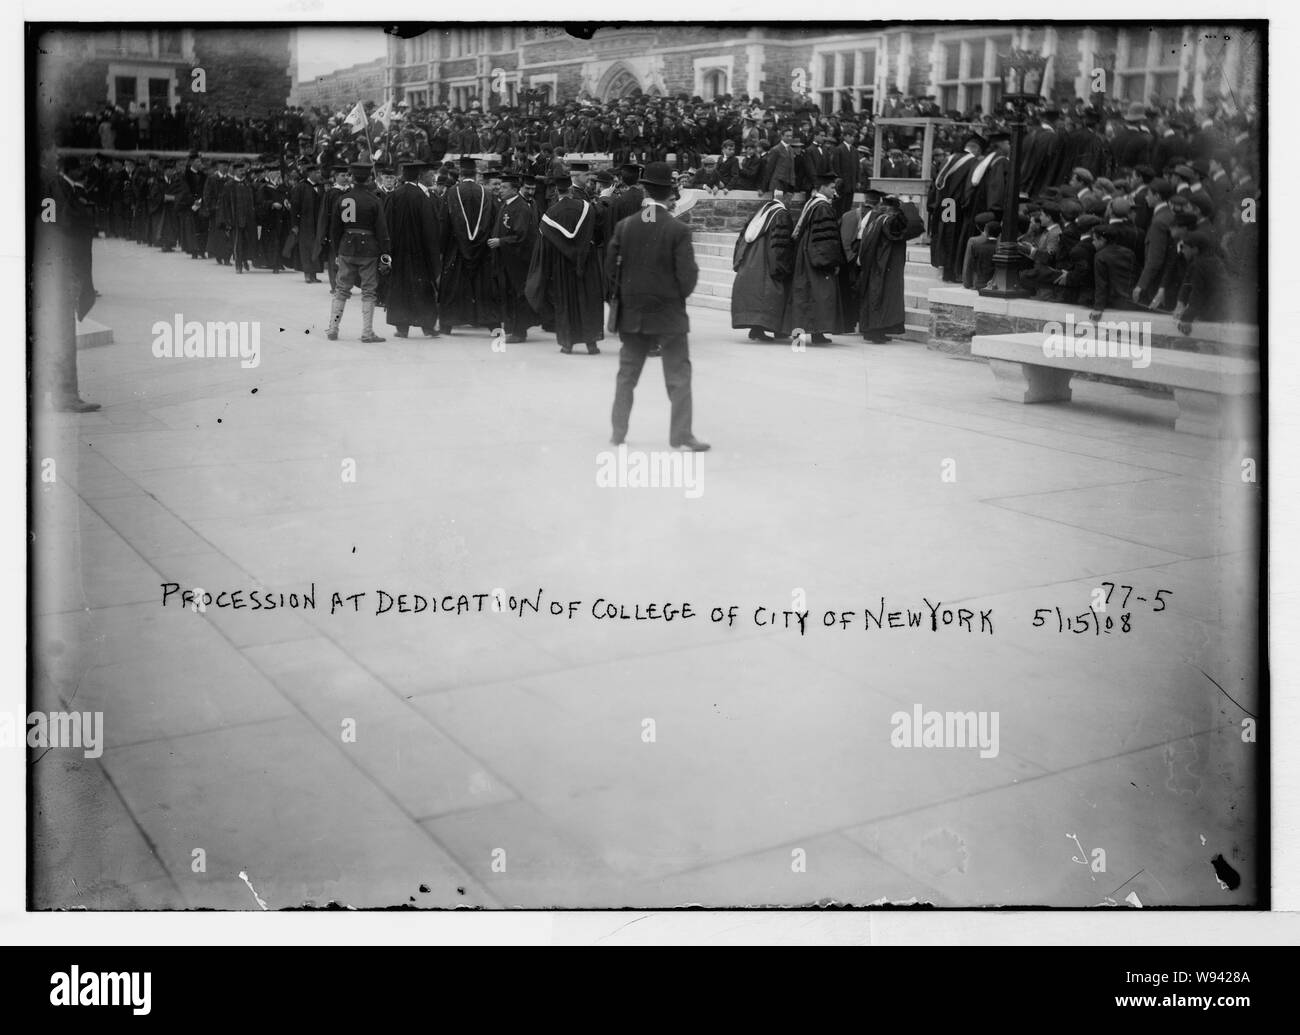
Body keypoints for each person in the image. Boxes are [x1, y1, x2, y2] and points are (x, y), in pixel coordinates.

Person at [606, 161, 707, 450]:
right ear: (670, 194)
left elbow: (610, 268)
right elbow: (688, 277)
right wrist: (671, 297)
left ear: (645, 189)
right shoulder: (678, 230)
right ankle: (681, 435)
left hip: (632, 315)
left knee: (627, 376)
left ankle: (618, 433)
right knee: (678, 377)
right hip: (669, 315)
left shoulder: (625, 226)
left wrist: (628, 294)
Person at [34, 150, 100, 411]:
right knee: (61, 333)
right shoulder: (54, 188)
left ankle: (59, 393)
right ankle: (65, 395)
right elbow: (56, 225)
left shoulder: (58, 188)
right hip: (60, 270)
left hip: (58, 268)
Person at [526, 173, 605, 354]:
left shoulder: (549, 215)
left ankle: (567, 343)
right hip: (587, 261)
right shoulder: (587, 208)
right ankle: (591, 343)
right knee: (588, 300)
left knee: (566, 302)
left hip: (562, 265)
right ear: (570, 189)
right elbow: (598, 232)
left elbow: (544, 246)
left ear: (556, 191)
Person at [326, 161, 392, 343]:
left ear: (352, 178)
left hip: (346, 247)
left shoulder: (342, 199)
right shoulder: (374, 200)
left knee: (341, 289)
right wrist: (385, 253)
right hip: (369, 250)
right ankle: (367, 332)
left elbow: (335, 229)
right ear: (370, 178)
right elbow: (382, 231)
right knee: (369, 291)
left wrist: (337, 251)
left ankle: (333, 327)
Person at [384, 158, 443, 339]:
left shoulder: (394, 195)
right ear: (418, 176)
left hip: (399, 252)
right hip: (419, 253)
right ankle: (427, 327)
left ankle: (402, 328)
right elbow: (430, 229)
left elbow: (386, 225)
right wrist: (434, 256)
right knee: (423, 289)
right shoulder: (422, 197)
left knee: (400, 288)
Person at [439, 157, 499, 334]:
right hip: (482, 248)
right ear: (475, 173)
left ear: (460, 173)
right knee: (484, 284)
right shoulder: (486, 193)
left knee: (455, 284)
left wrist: (442, 247)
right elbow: (494, 220)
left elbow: (444, 222)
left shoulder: (451, 193)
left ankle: (447, 324)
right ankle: (492, 323)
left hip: (456, 247)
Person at [786, 171, 844, 344]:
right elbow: (825, 237)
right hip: (815, 255)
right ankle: (815, 333)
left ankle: (806, 334)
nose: (834, 191)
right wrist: (830, 261)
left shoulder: (812, 203)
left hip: (806, 253)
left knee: (806, 294)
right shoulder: (823, 206)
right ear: (823, 187)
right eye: (832, 187)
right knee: (819, 294)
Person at [730, 196, 793, 342]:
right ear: (786, 197)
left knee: (760, 296)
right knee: (770, 294)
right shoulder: (781, 214)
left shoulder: (763, 210)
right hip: (766, 260)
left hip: (753, 259)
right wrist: (782, 266)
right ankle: (769, 330)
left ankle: (757, 330)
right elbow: (780, 245)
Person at [488, 172, 538, 343]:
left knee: (518, 295)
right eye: (500, 187)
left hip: (518, 261)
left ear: (515, 189)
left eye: (504, 187)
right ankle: (511, 329)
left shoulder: (522, 208)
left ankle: (519, 332)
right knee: (508, 295)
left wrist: (501, 241)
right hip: (506, 260)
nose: (500, 190)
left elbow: (522, 236)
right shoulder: (506, 205)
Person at [853, 194, 910, 343]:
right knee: (880, 298)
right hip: (884, 266)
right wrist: (908, 205)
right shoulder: (890, 221)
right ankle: (876, 333)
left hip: (875, 265)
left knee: (875, 298)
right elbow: (909, 227)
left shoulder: (877, 219)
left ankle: (872, 331)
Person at [290, 163, 326, 283]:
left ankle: (314, 274)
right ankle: (307, 273)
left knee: (316, 247)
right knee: (306, 248)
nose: (319, 175)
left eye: (319, 172)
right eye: (317, 173)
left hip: (318, 222)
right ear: (310, 174)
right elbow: (294, 207)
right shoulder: (300, 187)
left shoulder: (321, 187)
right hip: (305, 223)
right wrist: (294, 224)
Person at [220, 160, 257, 273]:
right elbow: (224, 205)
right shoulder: (229, 185)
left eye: (243, 170)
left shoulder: (248, 185)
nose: (243, 172)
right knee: (237, 243)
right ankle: (238, 264)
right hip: (235, 220)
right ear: (235, 171)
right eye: (240, 170)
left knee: (247, 242)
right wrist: (227, 221)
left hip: (248, 219)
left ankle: (244, 259)